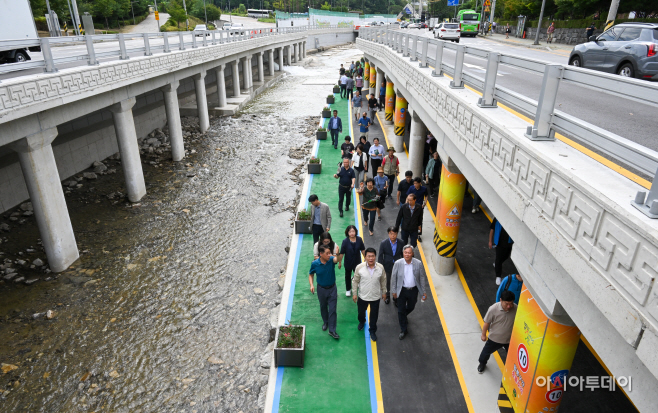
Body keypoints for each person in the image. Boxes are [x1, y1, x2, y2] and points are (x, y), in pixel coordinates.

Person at [390, 245, 427, 340]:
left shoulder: (418, 263)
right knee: (400, 310)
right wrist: (393, 291)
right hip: (401, 290)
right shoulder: (398, 263)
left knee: (411, 306)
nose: (407, 254)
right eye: (405, 252)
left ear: (413, 253)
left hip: (413, 290)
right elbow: (393, 278)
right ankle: (403, 329)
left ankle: (403, 316)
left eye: (409, 252)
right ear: (403, 253)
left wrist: (423, 292)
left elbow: (422, 277)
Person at [478, 290, 517, 373]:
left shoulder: (516, 308)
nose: (509, 306)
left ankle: (511, 369)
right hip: (495, 338)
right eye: (507, 303)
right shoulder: (493, 309)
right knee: (486, 353)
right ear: (501, 300)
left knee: (512, 355)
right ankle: (482, 363)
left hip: (509, 339)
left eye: (511, 303)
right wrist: (483, 335)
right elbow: (486, 322)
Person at [352, 248, 387, 342]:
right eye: (369, 256)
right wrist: (354, 293)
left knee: (374, 315)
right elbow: (355, 281)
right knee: (360, 312)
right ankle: (362, 321)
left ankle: (372, 331)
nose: (371, 258)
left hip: (375, 296)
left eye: (372, 256)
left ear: (375, 256)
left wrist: (384, 292)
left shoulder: (380, 267)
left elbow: (383, 280)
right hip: (363, 296)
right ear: (365, 257)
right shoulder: (359, 267)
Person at [309, 244, 341, 339]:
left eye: (330, 253)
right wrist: (311, 285)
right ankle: (325, 322)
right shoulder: (315, 264)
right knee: (323, 306)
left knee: (332, 309)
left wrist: (338, 253)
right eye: (327, 253)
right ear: (321, 254)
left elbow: (337, 259)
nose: (329, 255)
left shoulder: (331, 260)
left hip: (332, 289)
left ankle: (332, 330)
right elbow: (311, 274)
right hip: (321, 289)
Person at [378, 227, 403, 304]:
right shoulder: (383, 243)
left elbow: (403, 255)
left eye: (394, 234)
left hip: (397, 266)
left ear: (397, 234)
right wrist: (381, 268)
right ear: (388, 234)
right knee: (387, 282)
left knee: (396, 282)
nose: (393, 235)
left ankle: (396, 297)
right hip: (387, 266)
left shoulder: (401, 242)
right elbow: (380, 256)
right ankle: (387, 295)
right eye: (391, 233)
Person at [339, 225, 365, 296]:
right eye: (350, 232)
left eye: (353, 231)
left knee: (358, 274)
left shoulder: (359, 239)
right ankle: (348, 289)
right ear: (347, 233)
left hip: (357, 261)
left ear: (355, 231)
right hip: (348, 262)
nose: (352, 233)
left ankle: (359, 285)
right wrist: (340, 262)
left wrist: (365, 258)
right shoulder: (345, 241)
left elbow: (363, 249)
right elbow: (342, 253)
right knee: (348, 276)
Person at [489, 217, 514, 286]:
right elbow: (492, 229)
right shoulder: (497, 218)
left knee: (506, 256)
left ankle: (497, 264)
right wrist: (490, 241)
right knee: (498, 259)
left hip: (509, 243)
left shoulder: (511, 219)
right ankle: (498, 276)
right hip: (499, 243)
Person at [406, 177, 428, 242]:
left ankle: (418, 235)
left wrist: (425, 202)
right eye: (414, 183)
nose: (414, 184)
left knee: (419, 221)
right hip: (411, 207)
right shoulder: (411, 188)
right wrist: (406, 204)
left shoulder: (424, 189)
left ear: (420, 183)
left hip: (419, 208)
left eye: (416, 183)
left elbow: (426, 195)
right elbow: (408, 197)